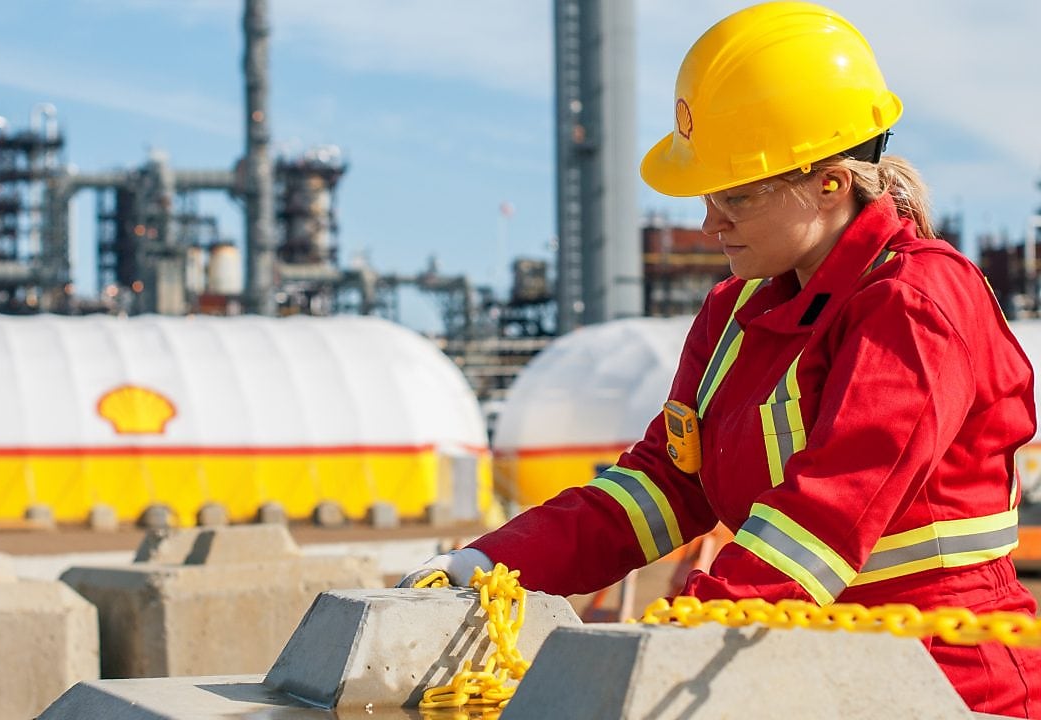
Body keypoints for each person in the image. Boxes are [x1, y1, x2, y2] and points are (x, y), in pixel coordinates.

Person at [399, 2, 1041, 716]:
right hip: (795, 666)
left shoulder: (917, 301)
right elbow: (664, 487)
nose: (710, 222)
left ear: (829, 184)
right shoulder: (734, 313)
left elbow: (827, 513)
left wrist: (680, 634)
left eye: (735, 194)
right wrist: (491, 563)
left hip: (946, 684)